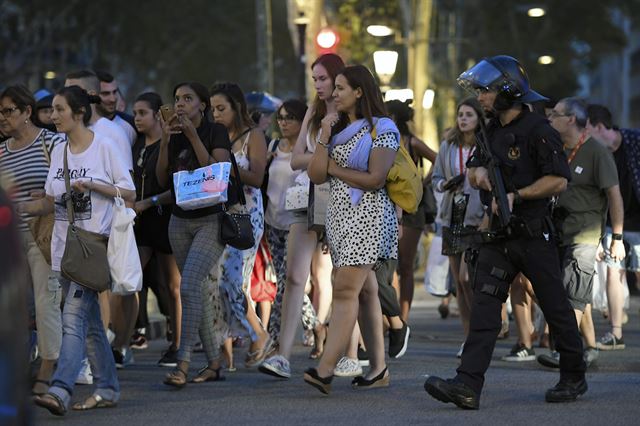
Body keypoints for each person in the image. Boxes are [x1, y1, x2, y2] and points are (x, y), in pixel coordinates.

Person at [424, 55, 587, 409]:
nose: (480, 98)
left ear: (508, 91)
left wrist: (517, 194)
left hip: (532, 234)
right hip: (497, 236)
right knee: (484, 310)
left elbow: (559, 180)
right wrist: (480, 177)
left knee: (556, 308)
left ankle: (574, 375)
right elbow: (472, 172)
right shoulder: (490, 129)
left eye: (486, 91)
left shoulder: (540, 131)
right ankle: (467, 385)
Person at [23, 85, 135, 415]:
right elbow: (50, 199)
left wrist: (94, 186)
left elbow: (127, 192)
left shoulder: (104, 146)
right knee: (90, 325)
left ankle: (60, 388)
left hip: (91, 249)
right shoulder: (60, 151)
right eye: (53, 110)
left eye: (59, 110)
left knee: (71, 318)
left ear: (79, 113)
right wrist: (22, 207)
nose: (53, 116)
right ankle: (107, 386)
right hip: (63, 249)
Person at [303, 64, 400, 394]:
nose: (334, 93)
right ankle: (378, 369)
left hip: (368, 218)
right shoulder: (337, 126)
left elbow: (375, 178)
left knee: (344, 290)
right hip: (340, 218)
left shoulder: (383, 128)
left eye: (341, 88)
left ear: (359, 91)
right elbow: (316, 174)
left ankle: (325, 370)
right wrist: (324, 135)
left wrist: (333, 167)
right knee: (367, 291)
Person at [259, 53, 344, 379]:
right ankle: (282, 355)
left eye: (323, 78)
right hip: (305, 196)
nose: (319, 85)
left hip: (341, 200)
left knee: (345, 279)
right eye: (315, 80)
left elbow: (347, 162)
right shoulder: (315, 111)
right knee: (294, 277)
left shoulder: (351, 113)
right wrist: (319, 159)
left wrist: (319, 160)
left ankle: (349, 351)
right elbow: (297, 159)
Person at [532, 97, 625, 370]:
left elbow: (614, 195)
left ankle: (565, 352)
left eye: (555, 115)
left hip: (585, 235)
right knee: (569, 294)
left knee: (573, 294)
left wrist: (616, 238)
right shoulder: (557, 149)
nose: (550, 119)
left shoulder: (597, 152)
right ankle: (590, 346)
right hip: (558, 231)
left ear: (571, 119)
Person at [155, 82, 231, 387]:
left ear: (203, 105)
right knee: (195, 290)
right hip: (180, 220)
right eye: (177, 99)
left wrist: (191, 135)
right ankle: (213, 363)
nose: (181, 104)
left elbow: (217, 171)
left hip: (211, 220)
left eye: (188, 99)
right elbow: (163, 181)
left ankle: (183, 363)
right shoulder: (172, 136)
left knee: (188, 286)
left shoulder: (216, 132)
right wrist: (163, 142)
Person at [0, 85, 64, 396]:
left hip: (44, 234)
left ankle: (48, 369)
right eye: (0, 113)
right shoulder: (0, 151)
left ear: (27, 112)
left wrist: (50, 197)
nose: (2, 118)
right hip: (9, 239)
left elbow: (68, 185)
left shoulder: (51, 142)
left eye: (8, 111)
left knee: (45, 303)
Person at [209, 82, 270, 368]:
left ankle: (258, 334)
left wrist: (226, 164)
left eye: (221, 108)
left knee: (231, 282)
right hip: (220, 215)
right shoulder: (216, 137)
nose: (216, 114)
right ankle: (226, 354)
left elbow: (257, 178)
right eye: (213, 109)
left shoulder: (253, 135)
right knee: (219, 283)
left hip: (247, 216)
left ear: (236, 107)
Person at [130, 92, 182, 367]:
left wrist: (146, 202)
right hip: (140, 224)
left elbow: (174, 190)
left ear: (156, 116)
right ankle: (125, 337)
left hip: (164, 218)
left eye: (142, 113)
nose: (137, 118)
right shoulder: (135, 144)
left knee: (173, 286)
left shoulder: (169, 143)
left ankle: (178, 343)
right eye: (135, 113)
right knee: (129, 278)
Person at [431, 97, 485, 357]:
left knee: (468, 278)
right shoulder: (448, 145)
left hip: (475, 216)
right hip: (452, 214)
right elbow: (436, 178)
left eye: (469, 115)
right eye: (460, 114)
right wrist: (445, 185)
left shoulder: (485, 146)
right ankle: (468, 338)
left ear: (479, 119)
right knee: (459, 284)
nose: (463, 119)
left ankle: (481, 333)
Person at [586, 104, 640, 351]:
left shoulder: (634, 142)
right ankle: (616, 332)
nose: (584, 134)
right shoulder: (595, 153)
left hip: (638, 222)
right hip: (611, 221)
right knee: (612, 272)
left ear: (599, 127)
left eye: (587, 128)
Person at [385, 100, 436, 323]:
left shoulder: (411, 142)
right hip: (387, 205)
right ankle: (390, 316)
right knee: (389, 264)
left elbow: (438, 158)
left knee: (405, 264)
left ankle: (403, 318)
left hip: (411, 209)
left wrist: (422, 182)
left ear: (393, 118)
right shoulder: (381, 138)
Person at [95, 70, 137, 145]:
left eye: (114, 92)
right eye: (106, 94)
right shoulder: (81, 124)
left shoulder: (132, 124)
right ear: (93, 94)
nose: (113, 99)